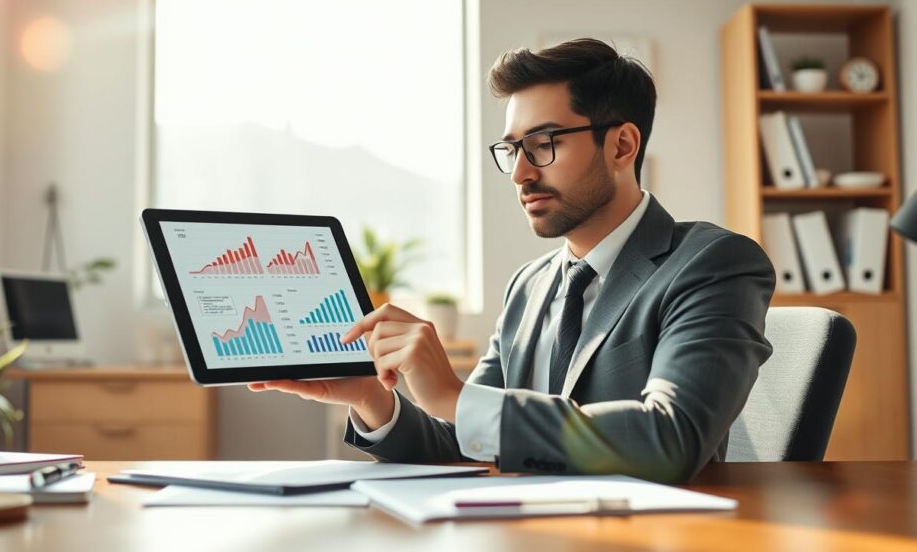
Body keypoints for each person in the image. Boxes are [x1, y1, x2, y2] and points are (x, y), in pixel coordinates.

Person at [249, 38, 775, 483]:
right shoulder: (529, 286)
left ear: (621, 146)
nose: (521, 173)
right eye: (511, 150)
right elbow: (463, 441)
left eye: (543, 144)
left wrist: (455, 397)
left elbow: (672, 436)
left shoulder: (714, 263)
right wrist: (372, 400)